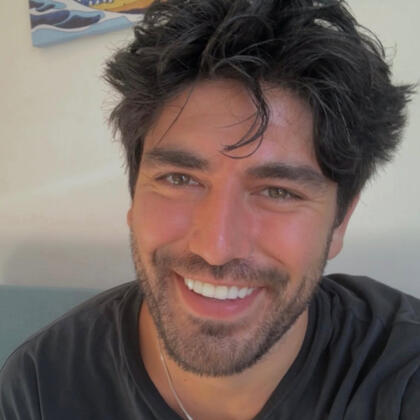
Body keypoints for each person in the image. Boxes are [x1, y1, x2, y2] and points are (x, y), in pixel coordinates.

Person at [0, 0, 418, 419]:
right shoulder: (40, 388)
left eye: (278, 191)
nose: (216, 249)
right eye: (180, 179)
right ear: (134, 198)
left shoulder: (402, 377)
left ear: (340, 221)